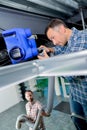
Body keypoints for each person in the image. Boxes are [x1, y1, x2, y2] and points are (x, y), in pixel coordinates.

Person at [37, 19, 87, 130]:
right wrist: (50, 49)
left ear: (62, 29)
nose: (54, 42)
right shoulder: (69, 39)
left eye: (53, 38)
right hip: (75, 93)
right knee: (77, 120)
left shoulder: (83, 39)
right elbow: (62, 49)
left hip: (85, 95)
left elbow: (71, 72)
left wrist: (49, 63)